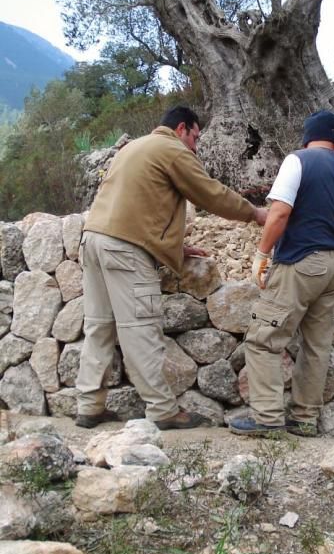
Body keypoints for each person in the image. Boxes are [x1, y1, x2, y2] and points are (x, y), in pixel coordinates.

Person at [75, 105, 267, 430]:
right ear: (182, 129)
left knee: (99, 326)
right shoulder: (172, 149)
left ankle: (89, 406)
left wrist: (174, 248)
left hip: (93, 242)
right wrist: (255, 213)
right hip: (126, 251)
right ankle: (163, 411)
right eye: (195, 137)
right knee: (140, 331)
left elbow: (138, 204)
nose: (195, 145)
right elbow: (209, 193)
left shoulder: (133, 147)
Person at [229, 110, 334, 437]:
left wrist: (262, 255)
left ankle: (268, 418)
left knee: (263, 339)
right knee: (316, 346)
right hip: (333, 267)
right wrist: (331, 261)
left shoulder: (297, 160)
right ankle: (304, 418)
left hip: (300, 261)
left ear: (306, 136)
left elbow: (279, 213)